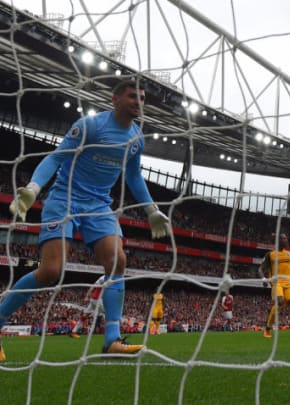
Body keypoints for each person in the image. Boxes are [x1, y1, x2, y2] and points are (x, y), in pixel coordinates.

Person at [0, 80, 171, 362]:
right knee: (51, 271)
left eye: (142, 98)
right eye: (132, 96)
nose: (138, 101)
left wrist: (151, 210)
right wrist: (33, 188)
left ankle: (112, 340)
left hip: (99, 205)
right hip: (64, 199)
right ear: (114, 99)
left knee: (118, 262)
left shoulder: (136, 139)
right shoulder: (90, 126)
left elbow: (133, 176)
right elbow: (56, 158)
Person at [258, 233, 290, 338]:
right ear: (278, 241)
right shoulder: (270, 255)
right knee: (279, 303)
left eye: (286, 238)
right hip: (277, 282)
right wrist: (263, 278)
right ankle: (267, 330)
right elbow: (261, 269)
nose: (286, 240)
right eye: (284, 239)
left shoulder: (289, 254)